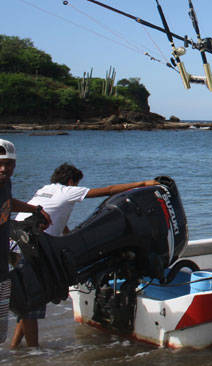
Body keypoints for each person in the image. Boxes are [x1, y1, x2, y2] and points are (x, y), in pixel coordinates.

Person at [10, 162, 159, 348]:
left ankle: (15, 347)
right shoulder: (68, 191)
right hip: (33, 248)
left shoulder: (45, 189)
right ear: (71, 181)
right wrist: (143, 184)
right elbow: (109, 190)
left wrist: (68, 235)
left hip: (16, 243)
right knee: (32, 301)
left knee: (26, 297)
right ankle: (33, 352)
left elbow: (55, 216)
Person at [0, 139, 51, 345]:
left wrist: (35, 209)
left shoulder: (5, 183)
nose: (4, 168)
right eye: (0, 163)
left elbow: (8, 203)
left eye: (9, 163)